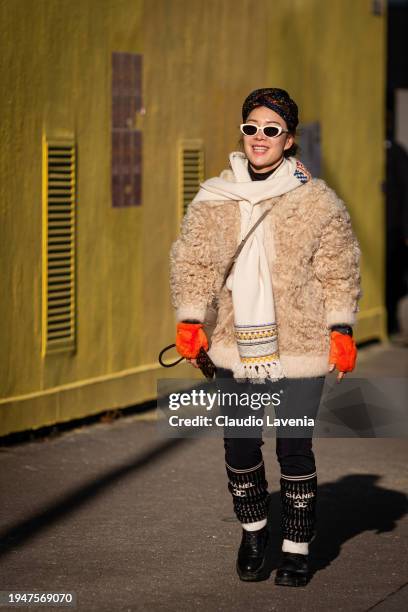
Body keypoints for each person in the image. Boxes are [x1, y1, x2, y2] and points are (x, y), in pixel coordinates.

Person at [169, 88, 361, 586]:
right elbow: (195, 262)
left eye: (271, 130)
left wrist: (341, 328)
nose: (259, 137)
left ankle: (297, 548)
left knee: (294, 446)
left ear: (289, 139)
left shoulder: (318, 203)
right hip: (236, 341)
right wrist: (191, 319)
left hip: (300, 344)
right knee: (240, 446)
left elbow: (338, 269)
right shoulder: (215, 196)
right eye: (251, 127)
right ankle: (254, 533)